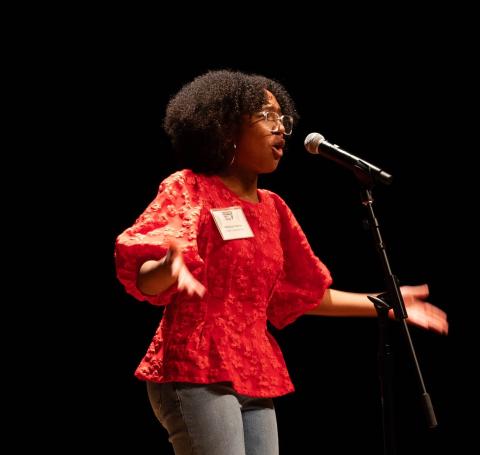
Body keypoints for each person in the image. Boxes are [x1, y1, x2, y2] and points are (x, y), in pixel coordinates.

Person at [114, 69, 448, 455]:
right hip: (195, 364)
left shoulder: (274, 209)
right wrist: (168, 266)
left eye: (283, 119)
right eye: (266, 117)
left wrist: (386, 305)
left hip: (254, 369)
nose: (282, 130)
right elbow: (144, 279)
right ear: (224, 128)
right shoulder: (189, 188)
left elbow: (303, 295)